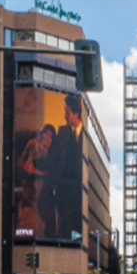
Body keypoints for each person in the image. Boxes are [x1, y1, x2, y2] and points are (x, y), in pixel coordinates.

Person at [52, 95, 85, 238]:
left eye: (67, 112)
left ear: (76, 114)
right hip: (63, 197)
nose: (64, 116)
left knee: (77, 236)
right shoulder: (63, 132)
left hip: (81, 199)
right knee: (64, 234)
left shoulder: (88, 135)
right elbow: (55, 160)